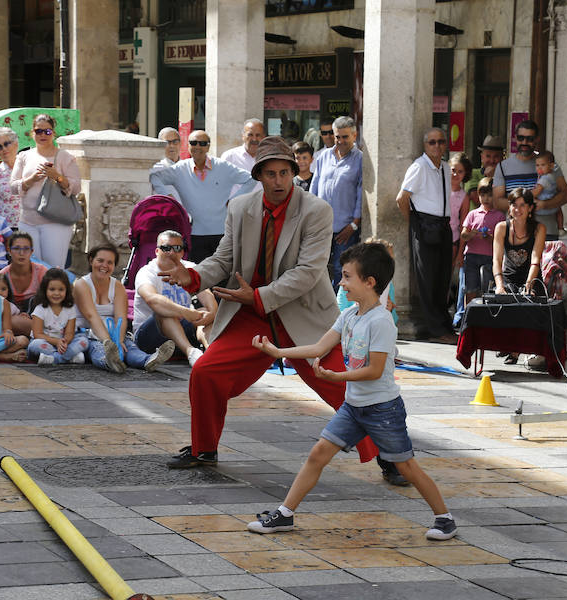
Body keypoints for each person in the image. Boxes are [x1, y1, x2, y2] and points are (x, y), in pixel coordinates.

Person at [159, 136, 400, 485]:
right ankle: (203, 448)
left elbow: (307, 272)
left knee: (342, 388)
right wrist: (192, 275)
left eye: (284, 173)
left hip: (301, 315)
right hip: (251, 316)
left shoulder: (317, 210)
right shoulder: (240, 207)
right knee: (206, 372)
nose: (278, 181)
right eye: (270, 174)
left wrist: (257, 297)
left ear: (294, 172)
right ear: (258, 175)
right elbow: (225, 259)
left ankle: (388, 454)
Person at [247, 242, 457, 540]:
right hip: (354, 407)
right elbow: (320, 346)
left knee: (406, 466)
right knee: (318, 453)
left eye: (347, 277)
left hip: (383, 410)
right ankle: (285, 514)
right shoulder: (350, 315)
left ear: (369, 282)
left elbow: (374, 370)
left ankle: (444, 518)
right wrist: (278, 351)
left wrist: (337, 376)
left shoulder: (381, 321)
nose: (341, 283)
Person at [150, 130, 256, 263]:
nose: (198, 147)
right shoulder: (180, 169)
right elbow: (155, 178)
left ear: (208, 146)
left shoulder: (222, 166)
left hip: (222, 233)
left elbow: (252, 179)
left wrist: (234, 200)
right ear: (188, 145)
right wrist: (169, 199)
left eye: (202, 143)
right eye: (193, 143)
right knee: (198, 276)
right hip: (194, 234)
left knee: (222, 276)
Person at [395, 128, 456, 344]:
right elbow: (402, 198)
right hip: (425, 222)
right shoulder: (419, 166)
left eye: (440, 142)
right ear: (425, 145)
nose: (437, 146)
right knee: (428, 278)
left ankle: (444, 325)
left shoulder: (445, 167)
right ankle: (436, 330)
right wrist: (414, 221)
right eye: (432, 142)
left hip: (443, 224)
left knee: (442, 277)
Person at [73, 245, 175, 374]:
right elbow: (92, 317)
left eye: (110, 262)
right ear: (91, 260)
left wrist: (119, 340)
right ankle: (109, 362)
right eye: (100, 261)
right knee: (98, 348)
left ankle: (148, 360)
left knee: (129, 348)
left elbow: (120, 317)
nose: (104, 265)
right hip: (87, 333)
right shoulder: (82, 285)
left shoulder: (117, 286)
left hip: (113, 332)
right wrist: (109, 342)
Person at [134, 230, 217, 367]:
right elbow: (152, 299)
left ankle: (212, 353)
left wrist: (211, 313)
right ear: (156, 251)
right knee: (166, 311)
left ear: (182, 252)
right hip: (150, 336)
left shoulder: (190, 268)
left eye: (177, 248)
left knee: (204, 312)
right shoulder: (147, 272)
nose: (171, 252)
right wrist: (185, 312)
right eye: (166, 248)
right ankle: (191, 353)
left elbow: (207, 295)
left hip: (181, 331)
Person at [10, 114, 82, 268]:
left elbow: (76, 188)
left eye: (47, 131)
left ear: (53, 133)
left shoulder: (64, 156)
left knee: (53, 269)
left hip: (55, 220)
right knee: (29, 268)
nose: (43, 135)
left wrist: (57, 177)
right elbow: (12, 187)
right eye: (38, 131)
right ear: (32, 133)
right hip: (27, 221)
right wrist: (32, 179)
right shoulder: (24, 156)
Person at [492, 188, 547, 364]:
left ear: (530, 208)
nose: (518, 209)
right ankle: (506, 343)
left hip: (530, 276)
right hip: (508, 277)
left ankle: (516, 350)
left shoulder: (539, 228)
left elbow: (535, 258)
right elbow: (497, 259)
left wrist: (529, 284)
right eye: (514, 205)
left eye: (522, 205)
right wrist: (499, 285)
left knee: (527, 301)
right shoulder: (501, 227)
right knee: (505, 299)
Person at [492, 120, 567, 239]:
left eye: (530, 139)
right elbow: (497, 202)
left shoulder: (548, 164)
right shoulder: (503, 167)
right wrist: (523, 206)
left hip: (547, 231)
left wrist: (545, 204)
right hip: (515, 233)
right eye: (521, 138)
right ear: (515, 138)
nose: (524, 142)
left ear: (536, 140)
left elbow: (566, 195)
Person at [310, 116, 363, 287]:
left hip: (345, 229)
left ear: (354, 136)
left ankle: (338, 310)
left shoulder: (360, 159)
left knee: (342, 271)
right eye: (337, 136)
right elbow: (314, 189)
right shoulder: (323, 157)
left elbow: (362, 193)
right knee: (318, 268)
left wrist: (354, 224)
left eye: (345, 137)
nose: (340, 141)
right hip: (321, 227)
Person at [27, 268, 89, 365]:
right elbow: (37, 334)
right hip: (46, 343)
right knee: (34, 345)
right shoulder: (40, 309)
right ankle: (69, 358)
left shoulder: (70, 309)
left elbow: (69, 333)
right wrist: (56, 342)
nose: (56, 293)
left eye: (61, 289)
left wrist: (64, 342)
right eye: (52, 289)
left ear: (66, 290)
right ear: (45, 290)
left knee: (84, 341)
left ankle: (55, 359)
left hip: (63, 344)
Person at [460, 178, 504, 304]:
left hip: (490, 258)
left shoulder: (499, 216)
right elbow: (463, 234)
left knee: (488, 290)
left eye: (490, 195)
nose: (486, 199)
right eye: (482, 195)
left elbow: (499, 240)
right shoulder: (472, 214)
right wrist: (470, 234)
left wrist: (489, 238)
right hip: (472, 257)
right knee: (470, 289)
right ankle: (468, 316)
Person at [336, 237, 398, 326]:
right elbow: (339, 313)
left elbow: (393, 321)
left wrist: (390, 310)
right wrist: (356, 309)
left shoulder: (388, 285)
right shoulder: (348, 285)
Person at [0, 231, 48, 335]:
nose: (21, 253)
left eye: (26, 249)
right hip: (9, 323)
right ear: (9, 250)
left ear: (31, 251)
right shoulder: (1, 277)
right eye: (16, 248)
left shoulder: (41, 272)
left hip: (40, 319)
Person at [449, 154, 473, 328]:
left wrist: (460, 252)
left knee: (447, 279)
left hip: (453, 239)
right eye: (453, 170)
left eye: (460, 171)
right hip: (436, 236)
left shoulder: (463, 196)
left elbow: (464, 224)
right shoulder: (439, 189)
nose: (455, 174)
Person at [0, 126, 22, 228]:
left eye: (7, 144)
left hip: (29, 226)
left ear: (15, 144)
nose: (4, 149)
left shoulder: (28, 167)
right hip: (4, 228)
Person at [532, 150, 564, 236]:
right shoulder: (552, 175)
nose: (539, 168)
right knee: (559, 211)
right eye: (537, 165)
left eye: (543, 165)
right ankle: (561, 228)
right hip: (552, 204)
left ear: (551, 166)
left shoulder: (545, 179)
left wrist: (526, 193)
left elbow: (536, 192)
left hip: (543, 206)